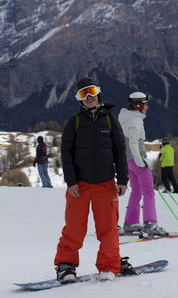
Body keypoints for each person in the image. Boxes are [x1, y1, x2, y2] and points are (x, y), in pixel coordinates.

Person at [54, 77, 134, 283]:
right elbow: (66, 152)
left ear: (98, 92)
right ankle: (66, 266)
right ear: (78, 99)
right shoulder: (75, 122)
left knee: (108, 228)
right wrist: (71, 180)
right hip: (79, 185)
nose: (88, 97)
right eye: (83, 94)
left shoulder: (110, 120)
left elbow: (120, 151)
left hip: (105, 183)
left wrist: (122, 179)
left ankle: (108, 266)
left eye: (91, 91)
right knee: (74, 228)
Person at [119, 92, 167, 236]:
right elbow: (134, 143)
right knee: (149, 192)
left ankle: (130, 223)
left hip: (128, 161)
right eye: (145, 104)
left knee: (136, 191)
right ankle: (150, 225)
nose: (147, 107)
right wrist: (142, 162)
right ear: (138, 105)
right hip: (137, 161)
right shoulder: (135, 121)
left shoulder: (125, 118)